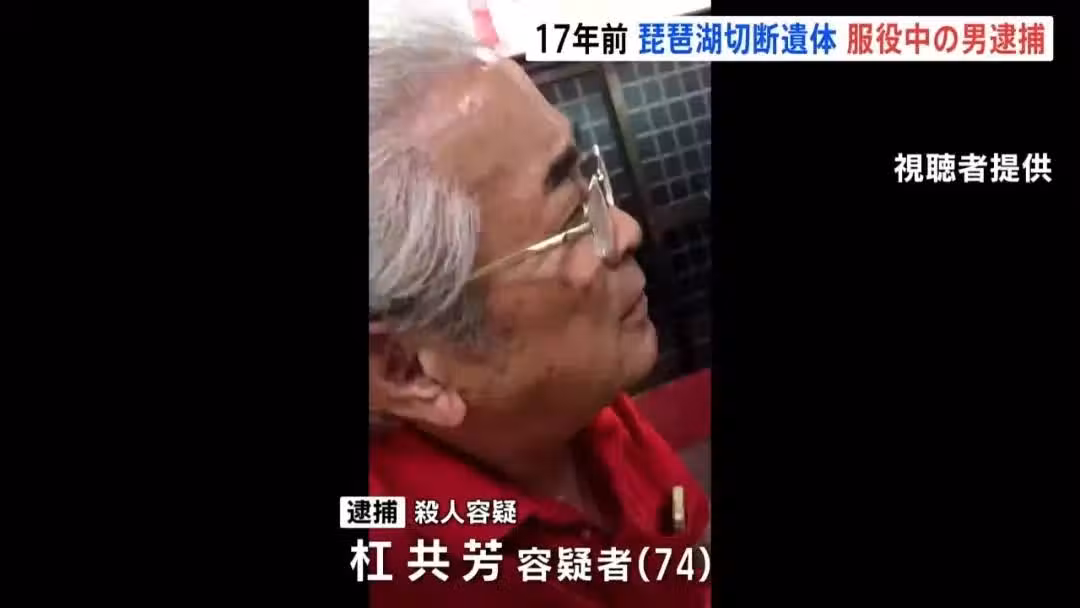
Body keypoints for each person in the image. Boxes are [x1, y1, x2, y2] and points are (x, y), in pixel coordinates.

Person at [368, 12, 710, 606]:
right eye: (571, 221)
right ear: (408, 369)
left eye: (587, 182)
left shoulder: (575, 411)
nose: (626, 230)